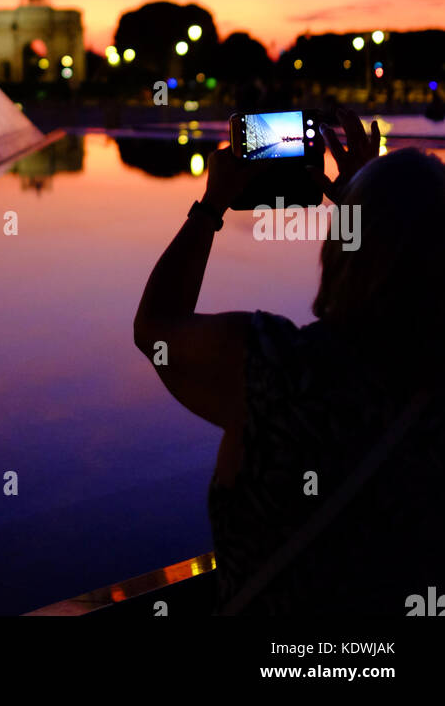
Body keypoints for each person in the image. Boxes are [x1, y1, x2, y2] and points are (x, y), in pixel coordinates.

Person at [133, 109, 445, 615]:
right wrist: (363, 215)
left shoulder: (275, 370)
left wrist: (211, 205)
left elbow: (155, 328)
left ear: (342, 253)